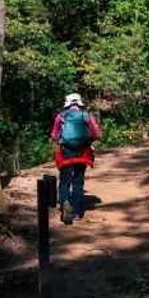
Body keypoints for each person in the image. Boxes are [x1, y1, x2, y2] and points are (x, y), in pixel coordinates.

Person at [50, 93, 102, 225]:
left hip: (66, 152)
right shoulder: (86, 115)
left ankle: (65, 203)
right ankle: (77, 212)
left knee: (64, 181)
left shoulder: (61, 116)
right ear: (79, 103)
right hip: (82, 153)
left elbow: (54, 136)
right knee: (78, 182)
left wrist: (57, 144)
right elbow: (96, 133)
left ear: (67, 103)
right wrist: (90, 140)